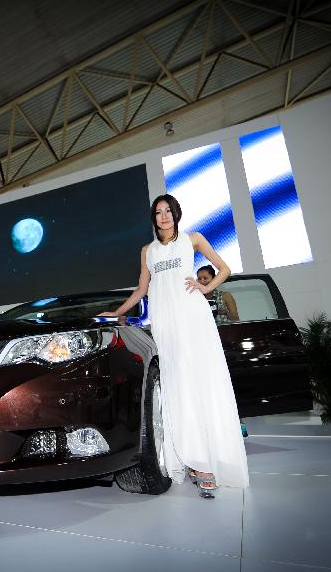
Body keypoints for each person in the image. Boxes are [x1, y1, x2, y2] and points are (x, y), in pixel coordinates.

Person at [99, 194, 249, 498]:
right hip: (166, 323)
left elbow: (225, 268)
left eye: (168, 211)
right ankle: (191, 457)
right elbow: (142, 289)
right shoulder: (147, 251)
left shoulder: (193, 239)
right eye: (158, 212)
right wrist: (117, 313)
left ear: (176, 213)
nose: (164, 216)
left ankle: (207, 461)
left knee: (201, 382)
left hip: (194, 318)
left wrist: (205, 287)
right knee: (176, 386)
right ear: (153, 218)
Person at [197, 265, 248, 438]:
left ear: (214, 279)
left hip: (225, 344)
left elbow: (236, 318)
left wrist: (223, 310)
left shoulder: (225, 296)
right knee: (210, 386)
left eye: (205, 278)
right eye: (200, 279)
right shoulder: (195, 297)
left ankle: (240, 422)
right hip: (204, 346)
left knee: (231, 384)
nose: (202, 281)